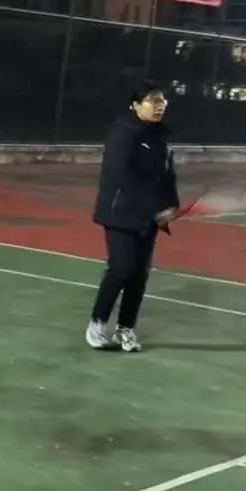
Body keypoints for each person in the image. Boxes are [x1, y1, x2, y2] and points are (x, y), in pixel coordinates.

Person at [86, 80, 179, 353]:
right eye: (153, 101)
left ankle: (125, 328)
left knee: (139, 275)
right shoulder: (123, 133)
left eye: (162, 101)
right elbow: (125, 176)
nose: (159, 106)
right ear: (136, 105)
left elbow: (166, 175)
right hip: (120, 211)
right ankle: (97, 324)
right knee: (121, 269)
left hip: (147, 217)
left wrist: (170, 205)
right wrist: (154, 207)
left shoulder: (160, 137)